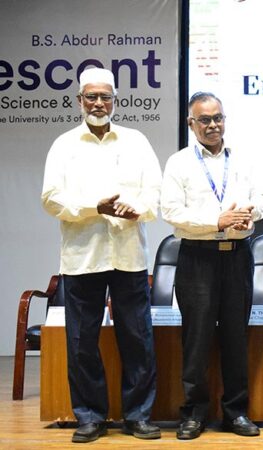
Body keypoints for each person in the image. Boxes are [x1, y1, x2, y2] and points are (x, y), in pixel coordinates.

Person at [41, 67, 162, 443]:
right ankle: (90, 417)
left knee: (137, 340)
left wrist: (136, 209)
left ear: (114, 100)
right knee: (81, 343)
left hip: (128, 255)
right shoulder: (64, 145)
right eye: (91, 97)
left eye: (105, 97)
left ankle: (137, 416)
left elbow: (154, 193)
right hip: (83, 257)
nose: (98, 103)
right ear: (79, 101)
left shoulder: (136, 141)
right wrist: (95, 207)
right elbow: (51, 198)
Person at [160, 92, 263, 440]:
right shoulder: (178, 163)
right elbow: (171, 212)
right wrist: (217, 220)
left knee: (236, 338)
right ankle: (193, 414)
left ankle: (235, 413)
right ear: (191, 123)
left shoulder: (245, 158)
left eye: (218, 118)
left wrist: (250, 213)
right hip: (197, 257)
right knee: (196, 339)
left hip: (238, 255)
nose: (213, 125)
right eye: (205, 120)